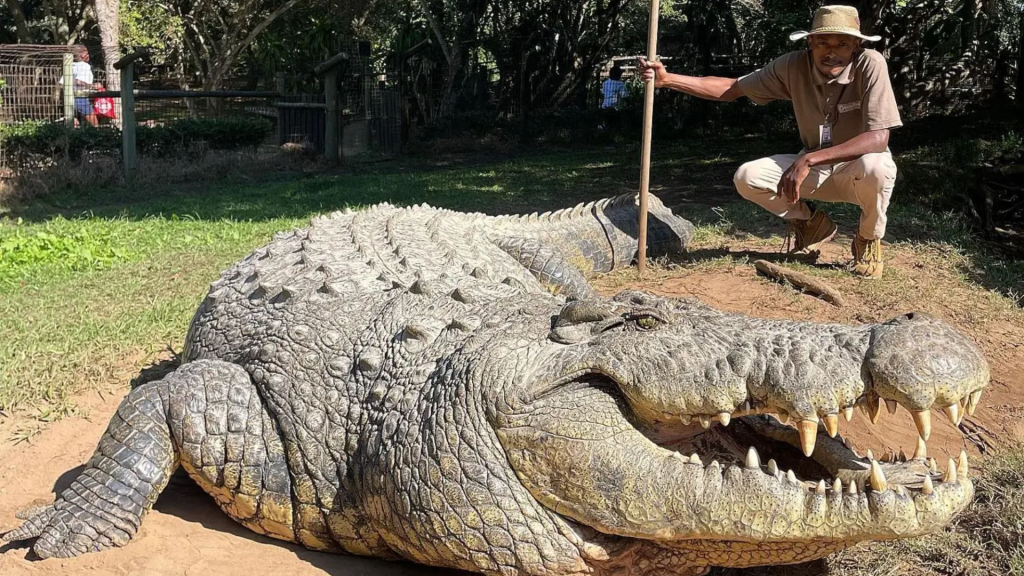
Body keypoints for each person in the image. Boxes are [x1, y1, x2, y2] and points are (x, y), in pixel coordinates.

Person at [639, 5, 902, 278]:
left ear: (856, 45)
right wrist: (668, 80)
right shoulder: (792, 66)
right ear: (810, 42)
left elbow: (878, 138)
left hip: (855, 169)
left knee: (878, 168)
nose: (832, 52)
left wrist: (809, 159)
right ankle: (809, 222)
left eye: (843, 43)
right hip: (813, 167)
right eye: (823, 42)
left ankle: (867, 240)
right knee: (747, 176)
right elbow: (731, 89)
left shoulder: (870, 63)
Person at [68, 45, 99, 128]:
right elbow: (78, 81)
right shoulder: (84, 66)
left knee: (75, 125)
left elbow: (62, 82)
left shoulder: (70, 66)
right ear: (82, 55)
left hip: (69, 98)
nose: (89, 55)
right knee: (94, 123)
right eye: (87, 53)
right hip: (80, 97)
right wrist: (92, 86)